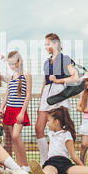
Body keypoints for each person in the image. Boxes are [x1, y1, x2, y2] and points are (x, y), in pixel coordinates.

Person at [36, 33, 79, 165]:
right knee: (39, 128)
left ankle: (60, 159)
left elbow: (75, 77)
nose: (46, 47)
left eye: (48, 44)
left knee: (59, 129)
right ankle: (45, 161)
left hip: (59, 95)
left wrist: (58, 80)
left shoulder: (65, 59)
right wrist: (41, 101)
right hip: (46, 97)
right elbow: (45, 81)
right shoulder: (46, 62)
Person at [0, 51, 32, 173]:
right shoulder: (10, 77)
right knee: (13, 138)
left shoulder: (26, 74)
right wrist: (1, 108)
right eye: (10, 64)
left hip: (19, 111)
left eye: (13, 63)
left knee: (16, 136)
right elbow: (7, 94)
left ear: (19, 61)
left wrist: (22, 112)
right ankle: (19, 166)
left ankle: (25, 165)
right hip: (9, 110)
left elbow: (28, 95)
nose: (12, 66)